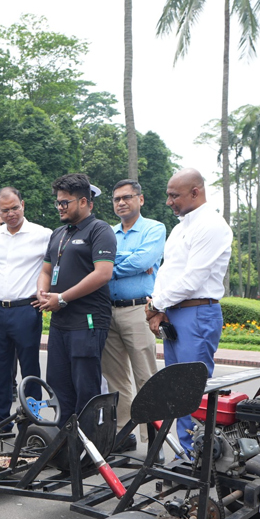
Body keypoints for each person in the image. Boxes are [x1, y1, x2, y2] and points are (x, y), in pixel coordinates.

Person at [146, 168, 231, 453]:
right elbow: (168, 272)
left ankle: (201, 458)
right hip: (176, 313)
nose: (169, 201)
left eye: (174, 195)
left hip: (197, 313)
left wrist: (156, 305)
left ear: (196, 192)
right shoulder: (181, 227)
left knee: (192, 391)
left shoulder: (211, 225)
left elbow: (192, 279)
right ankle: (186, 455)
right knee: (177, 390)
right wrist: (158, 309)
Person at [36, 174, 116, 423]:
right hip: (60, 324)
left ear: (83, 202)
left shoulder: (100, 230)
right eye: (58, 202)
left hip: (88, 321)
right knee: (59, 387)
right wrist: (42, 291)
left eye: (65, 202)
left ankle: (87, 453)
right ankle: (64, 450)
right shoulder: (58, 233)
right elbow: (46, 269)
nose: (60, 207)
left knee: (86, 391)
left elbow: (103, 273)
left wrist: (62, 297)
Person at [0, 188, 49, 424]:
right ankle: (1, 424)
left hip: (26, 311)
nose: (10, 213)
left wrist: (45, 293)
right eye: (5, 210)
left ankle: (32, 424)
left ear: (23, 205)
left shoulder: (42, 234)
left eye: (14, 208)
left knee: (29, 370)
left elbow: (54, 266)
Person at [101, 179, 163, 434]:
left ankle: (154, 440)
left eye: (127, 197)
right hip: (108, 310)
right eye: (117, 199)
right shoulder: (108, 233)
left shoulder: (154, 228)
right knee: (115, 380)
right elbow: (132, 261)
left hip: (139, 310)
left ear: (141, 199)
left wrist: (108, 269)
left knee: (146, 377)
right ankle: (123, 436)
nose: (121, 202)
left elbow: (145, 260)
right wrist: (130, 260)